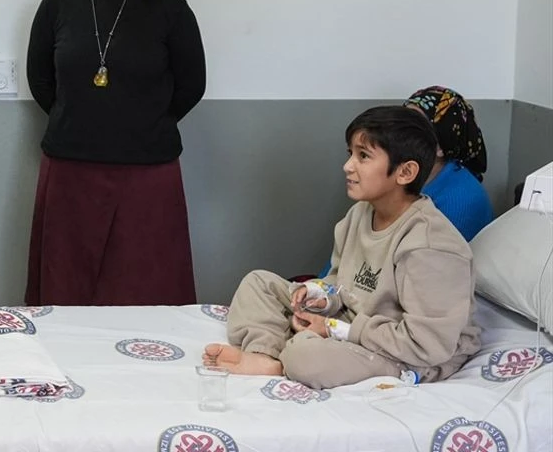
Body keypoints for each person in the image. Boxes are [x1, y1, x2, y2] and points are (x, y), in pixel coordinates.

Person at [203, 106, 481, 390]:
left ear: (405, 172)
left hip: (410, 354)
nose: (348, 166)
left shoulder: (430, 244)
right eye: (350, 153)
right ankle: (263, 355)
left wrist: (334, 330)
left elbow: (429, 344)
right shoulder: (360, 214)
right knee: (257, 283)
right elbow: (340, 283)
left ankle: (285, 360)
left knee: (305, 356)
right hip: (359, 325)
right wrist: (320, 297)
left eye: (363, 156)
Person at [24, 0, 206, 307]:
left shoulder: (169, 6)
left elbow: (191, 86)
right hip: (71, 172)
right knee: (66, 295)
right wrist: (85, 121)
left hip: (148, 176)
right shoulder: (58, 4)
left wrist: (142, 124)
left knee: (147, 296)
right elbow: (42, 83)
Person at [403, 86, 494, 240]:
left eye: (414, 130)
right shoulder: (414, 177)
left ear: (441, 147)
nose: (397, 135)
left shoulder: (461, 200)